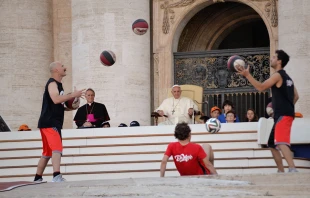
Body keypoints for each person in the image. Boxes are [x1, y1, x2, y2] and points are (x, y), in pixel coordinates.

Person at [237, 49, 299, 173]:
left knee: (281, 142)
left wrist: (247, 75)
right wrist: (287, 106)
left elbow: (260, 87)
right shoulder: (288, 78)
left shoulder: (277, 75)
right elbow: (296, 96)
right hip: (283, 113)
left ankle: (292, 169)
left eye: (274, 57)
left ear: (279, 61)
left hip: (282, 114)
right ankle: (281, 171)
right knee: (271, 143)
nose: (271, 58)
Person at [34, 61, 84, 182]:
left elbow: (59, 105)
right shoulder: (52, 83)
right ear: (56, 70)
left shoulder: (59, 85)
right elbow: (56, 99)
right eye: (62, 66)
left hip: (48, 122)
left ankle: (37, 178)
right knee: (57, 148)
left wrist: (73, 105)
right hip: (50, 122)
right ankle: (56, 176)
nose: (65, 67)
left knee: (47, 152)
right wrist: (73, 94)